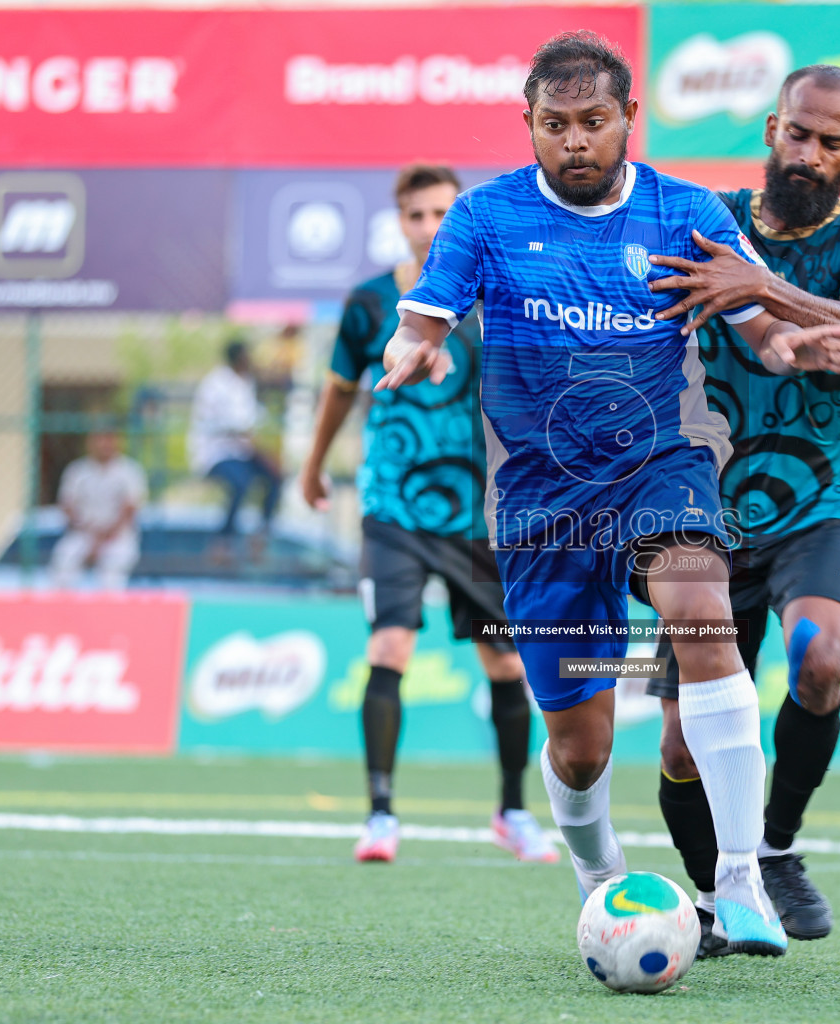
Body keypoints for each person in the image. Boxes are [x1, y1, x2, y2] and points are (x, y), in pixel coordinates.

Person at [379, 32, 840, 956]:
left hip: (659, 464)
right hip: (541, 502)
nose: (574, 142)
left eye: (593, 122)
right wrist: (414, 346)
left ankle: (739, 878)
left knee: (698, 605)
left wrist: (790, 341)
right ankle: (601, 880)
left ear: (628, 121)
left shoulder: (683, 213)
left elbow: (759, 326)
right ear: (527, 124)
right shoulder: (483, 217)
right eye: (553, 125)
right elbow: (424, 316)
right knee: (581, 747)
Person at [636, 64, 840, 953]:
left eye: (832, 143)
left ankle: (778, 849)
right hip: (702, 503)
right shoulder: (704, 222)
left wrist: (755, 286)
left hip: (826, 491)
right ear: (769, 129)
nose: (810, 153)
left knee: (819, 657)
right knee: (678, 747)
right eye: (798, 132)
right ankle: (718, 899)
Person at [300, 164, 556, 865]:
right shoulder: (369, 303)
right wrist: (313, 464)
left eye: (443, 212)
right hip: (394, 506)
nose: (430, 226)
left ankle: (512, 811)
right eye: (417, 215)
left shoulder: (493, 299)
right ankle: (380, 815)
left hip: (480, 512)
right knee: (390, 647)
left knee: (505, 663)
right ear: (401, 221)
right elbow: (339, 391)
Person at [189, 339, 282, 539]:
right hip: (215, 453)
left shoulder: (245, 383)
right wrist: (266, 456)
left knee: (277, 476)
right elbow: (242, 431)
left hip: (241, 452)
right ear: (239, 358)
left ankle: (262, 534)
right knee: (242, 482)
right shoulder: (217, 384)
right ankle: (224, 540)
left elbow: (255, 423)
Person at [50, 429, 148, 591]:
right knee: (64, 560)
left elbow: (130, 509)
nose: (104, 444)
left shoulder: (129, 471)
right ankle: (62, 613)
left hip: (117, 536)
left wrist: (102, 539)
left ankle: (108, 614)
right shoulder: (77, 471)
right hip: (83, 533)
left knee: (111, 573)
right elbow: (67, 505)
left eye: (109, 439)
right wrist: (89, 533)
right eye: (99, 439)